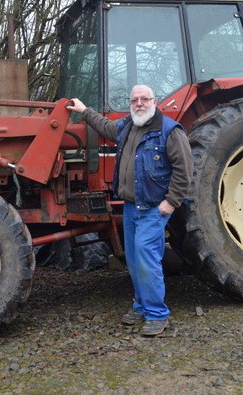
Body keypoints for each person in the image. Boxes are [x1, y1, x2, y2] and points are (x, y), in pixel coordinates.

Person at [67, 85, 193, 337]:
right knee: (134, 261)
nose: (139, 103)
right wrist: (84, 111)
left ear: (154, 101)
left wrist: (170, 202)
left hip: (152, 208)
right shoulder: (127, 126)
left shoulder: (169, 131)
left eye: (144, 99)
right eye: (134, 100)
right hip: (130, 207)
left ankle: (157, 314)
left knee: (147, 259)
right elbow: (105, 126)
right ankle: (141, 305)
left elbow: (185, 169)